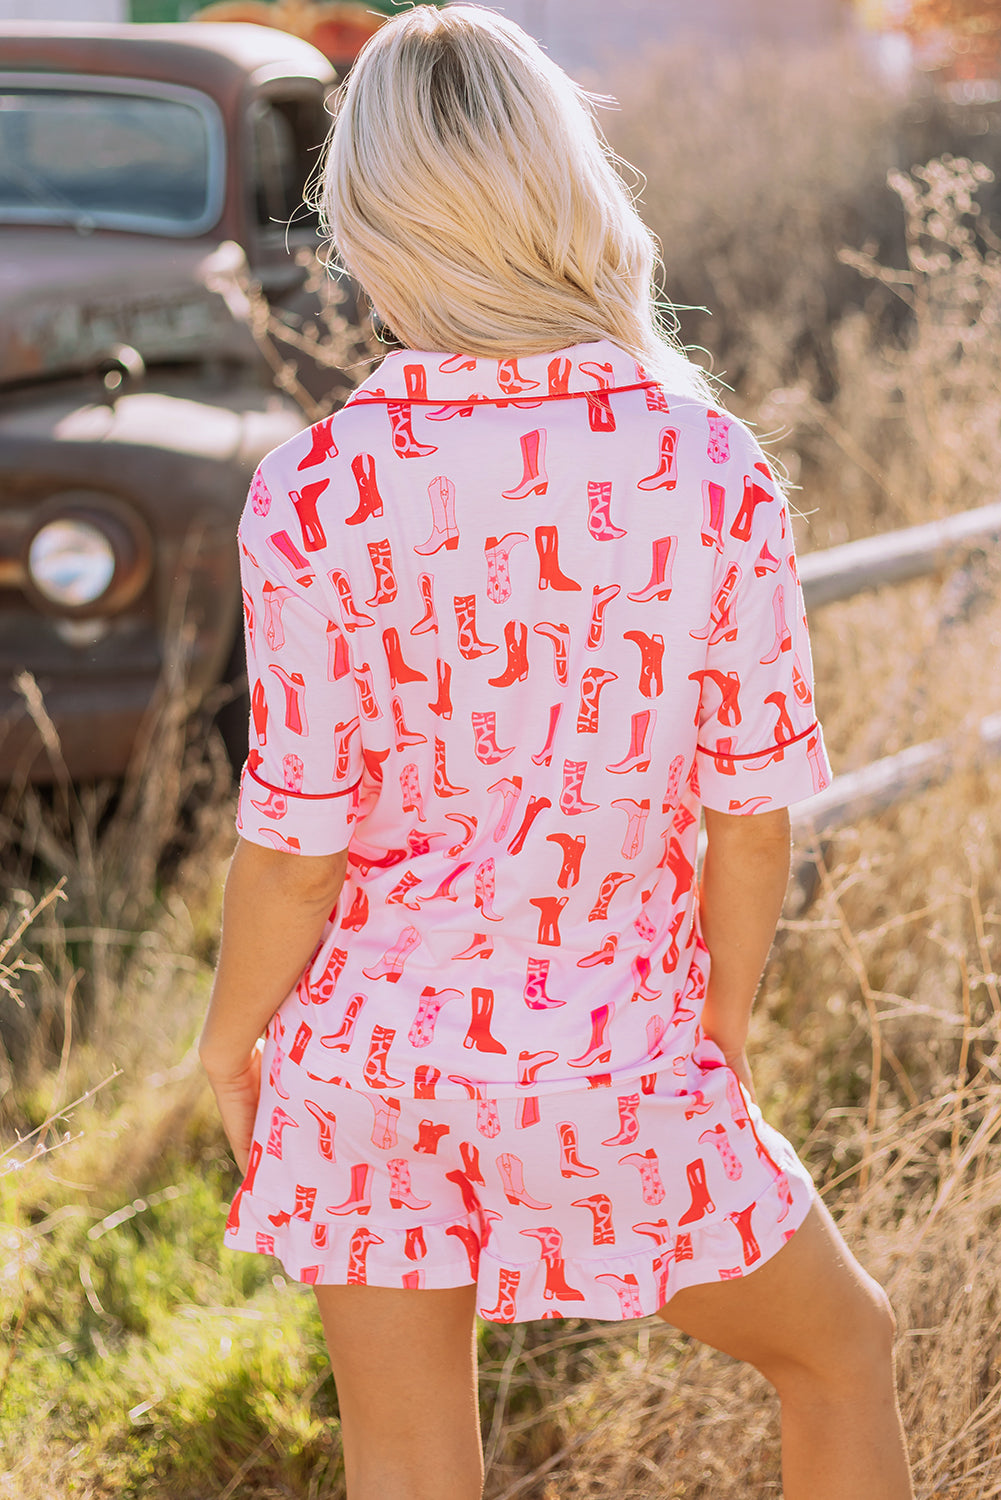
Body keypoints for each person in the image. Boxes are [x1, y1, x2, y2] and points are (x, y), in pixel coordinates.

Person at [199, 7, 914, 1498]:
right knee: (839, 1353)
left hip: (366, 1058)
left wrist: (230, 1037)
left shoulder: (310, 490)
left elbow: (294, 838)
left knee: (404, 1457)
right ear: (564, 187)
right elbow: (750, 815)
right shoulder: (701, 463)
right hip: (609, 1057)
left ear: (371, 215)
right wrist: (712, 1032)